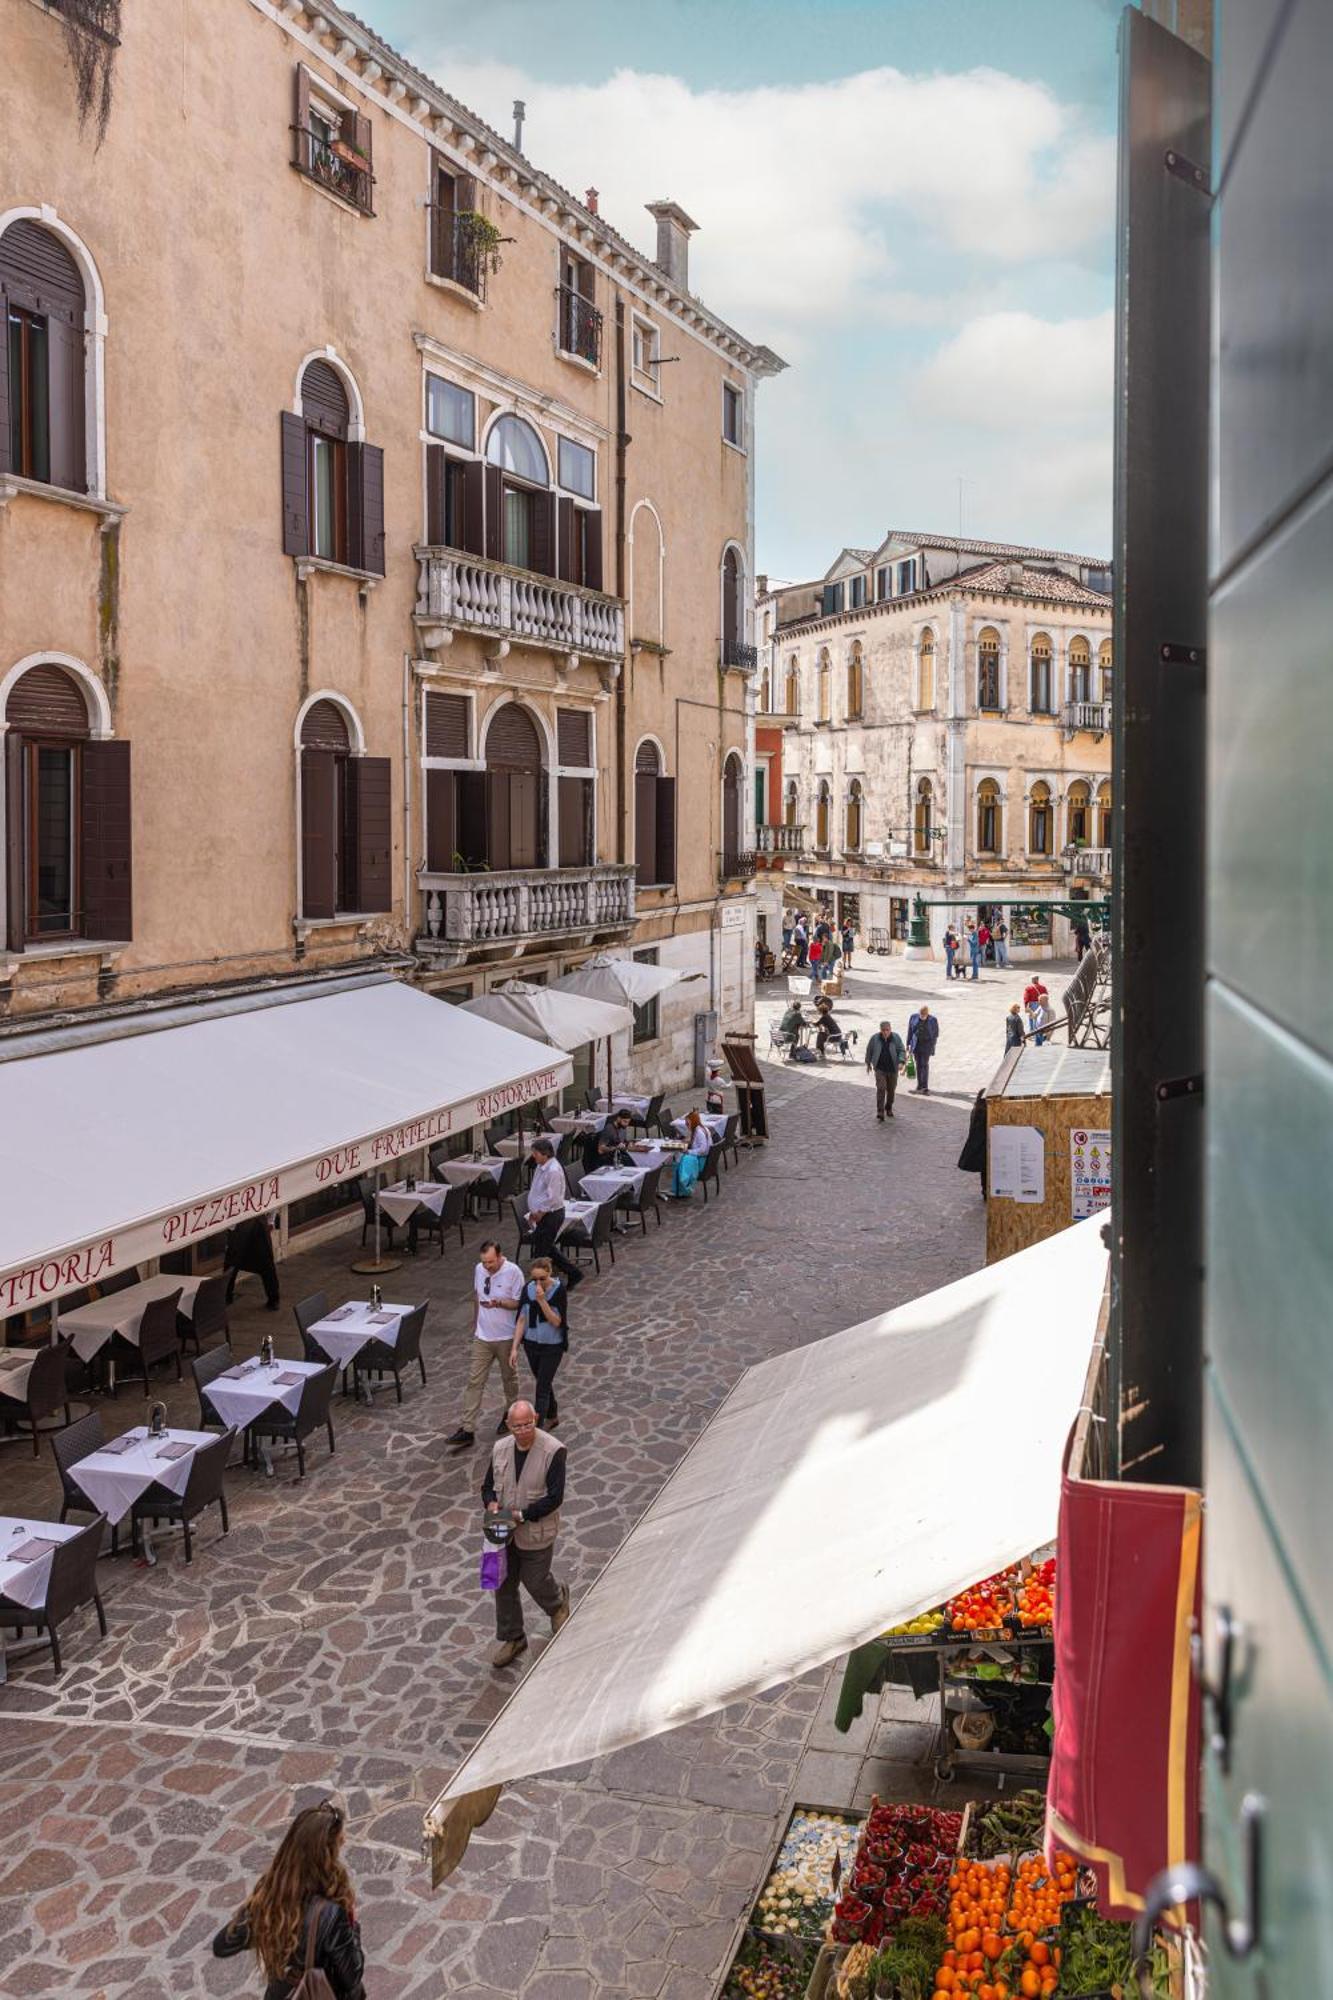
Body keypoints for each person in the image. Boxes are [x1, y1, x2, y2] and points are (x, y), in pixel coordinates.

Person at [213, 1798, 365, 2000]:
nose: (344, 1841)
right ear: (326, 1853)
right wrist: (353, 1929)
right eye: (339, 1841)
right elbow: (352, 1975)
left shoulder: (271, 1894)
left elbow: (223, 1945)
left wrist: (260, 1923)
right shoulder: (330, 1913)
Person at [483, 1399, 569, 1667]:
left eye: (527, 1424)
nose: (522, 1430)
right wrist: (491, 1503)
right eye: (517, 1426)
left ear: (536, 1418)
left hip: (536, 1530)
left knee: (535, 1579)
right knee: (502, 1584)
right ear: (508, 1425)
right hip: (503, 1530)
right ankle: (514, 1637)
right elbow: (487, 1486)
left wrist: (523, 1515)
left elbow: (555, 1497)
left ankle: (557, 1603)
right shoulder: (499, 1449)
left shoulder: (554, 1451)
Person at [446, 1240, 525, 1450]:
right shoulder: (478, 1269)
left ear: (499, 1256)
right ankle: (468, 1428)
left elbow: (518, 1303)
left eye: (490, 1262)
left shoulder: (514, 1272)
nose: (487, 1266)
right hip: (483, 1336)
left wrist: (499, 1303)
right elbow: (477, 1296)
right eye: (484, 1262)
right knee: (474, 1381)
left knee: (509, 1378)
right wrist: (475, 1325)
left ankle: (510, 1414)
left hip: (506, 1337)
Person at [510, 1256, 567, 1428]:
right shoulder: (528, 1289)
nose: (538, 1283)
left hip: (552, 1346)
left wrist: (542, 1301)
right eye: (535, 1279)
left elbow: (557, 1321)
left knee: (541, 1388)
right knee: (543, 1380)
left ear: (549, 1273)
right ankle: (552, 1414)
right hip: (531, 1344)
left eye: (542, 1278)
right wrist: (514, 1348)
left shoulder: (558, 1291)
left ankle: (537, 1428)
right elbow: (521, 1319)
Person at [525, 1137, 584, 1289]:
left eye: (536, 1153)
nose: (534, 1156)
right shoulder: (541, 1166)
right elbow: (538, 1190)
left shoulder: (553, 1171)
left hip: (551, 1215)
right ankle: (573, 1273)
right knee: (546, 1247)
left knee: (541, 1252)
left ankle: (538, 1283)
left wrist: (540, 1213)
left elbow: (554, 1197)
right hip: (542, 1214)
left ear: (545, 1154)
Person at [223, 1214, 280, 1312]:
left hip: (256, 1223)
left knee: (266, 1262)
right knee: (232, 1261)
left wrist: (271, 1221)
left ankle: (273, 1298)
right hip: (241, 1223)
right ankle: (226, 1295)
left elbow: (270, 1201)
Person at [865, 1019, 905, 1122]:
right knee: (881, 1088)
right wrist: (868, 1063)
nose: (885, 1032)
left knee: (891, 1091)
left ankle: (888, 1107)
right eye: (883, 1030)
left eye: (887, 1030)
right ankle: (880, 1111)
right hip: (880, 1069)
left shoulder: (896, 1038)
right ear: (880, 1030)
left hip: (893, 1069)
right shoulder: (875, 1038)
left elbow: (901, 1050)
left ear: (890, 1029)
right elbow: (869, 1050)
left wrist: (901, 1061)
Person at [667, 1109, 710, 1198]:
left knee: (681, 1161)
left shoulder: (699, 1132)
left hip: (702, 1160)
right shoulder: (702, 1128)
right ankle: (678, 1188)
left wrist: (689, 1151)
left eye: (687, 1123)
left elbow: (703, 1149)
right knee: (680, 1158)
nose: (686, 1125)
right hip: (703, 1158)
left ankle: (682, 1188)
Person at [957, 1089, 988, 1197]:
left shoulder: (976, 1111)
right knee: (986, 1167)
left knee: (985, 1168)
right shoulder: (983, 1113)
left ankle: (985, 1190)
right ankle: (986, 1190)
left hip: (979, 1145)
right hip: (983, 1145)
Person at [906, 1003, 939, 1094]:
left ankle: (925, 1086)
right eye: (921, 1015)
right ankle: (919, 1084)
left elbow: (936, 1034)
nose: (922, 1017)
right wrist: (908, 1044)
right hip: (916, 1045)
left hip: (926, 1046)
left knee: (924, 1064)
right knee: (918, 1064)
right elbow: (910, 1031)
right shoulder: (913, 1017)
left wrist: (932, 1045)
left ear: (927, 1014)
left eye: (924, 1015)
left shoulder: (933, 1020)